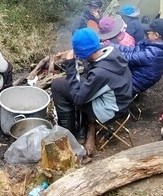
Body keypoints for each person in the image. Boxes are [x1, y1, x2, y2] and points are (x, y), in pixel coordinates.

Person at [50, 27, 133, 155]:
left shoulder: (100, 74)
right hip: (121, 100)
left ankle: (68, 133)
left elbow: (78, 98)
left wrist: (71, 65)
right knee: (77, 83)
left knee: (57, 85)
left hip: (111, 111)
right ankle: (82, 129)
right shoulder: (112, 52)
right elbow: (91, 70)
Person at [117, 18, 163, 95]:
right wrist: (111, 46)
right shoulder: (156, 44)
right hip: (134, 75)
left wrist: (109, 50)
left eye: (148, 32)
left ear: (156, 35)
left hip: (132, 84)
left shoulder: (154, 53)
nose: (147, 34)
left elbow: (129, 57)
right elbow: (133, 50)